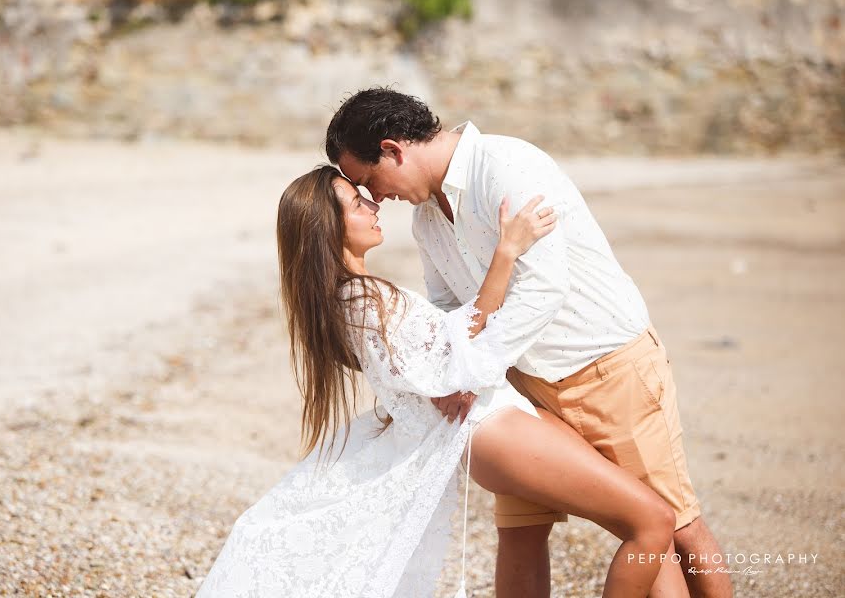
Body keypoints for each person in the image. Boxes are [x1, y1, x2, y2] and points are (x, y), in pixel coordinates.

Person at [195, 166, 678, 598]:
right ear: (330, 225)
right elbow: (462, 361)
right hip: (492, 429)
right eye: (356, 202)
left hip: (494, 425)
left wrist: (455, 367)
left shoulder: (352, 297)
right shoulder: (361, 299)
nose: (372, 204)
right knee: (652, 521)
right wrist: (507, 252)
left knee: (569, 532)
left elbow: (452, 349)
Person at [325, 87, 732, 598]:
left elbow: (543, 286)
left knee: (672, 526)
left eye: (370, 181)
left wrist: (468, 372)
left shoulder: (506, 165)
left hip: (604, 366)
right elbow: (451, 307)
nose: (376, 198)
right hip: (519, 385)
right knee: (520, 529)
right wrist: (462, 368)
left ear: (393, 149)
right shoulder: (427, 218)